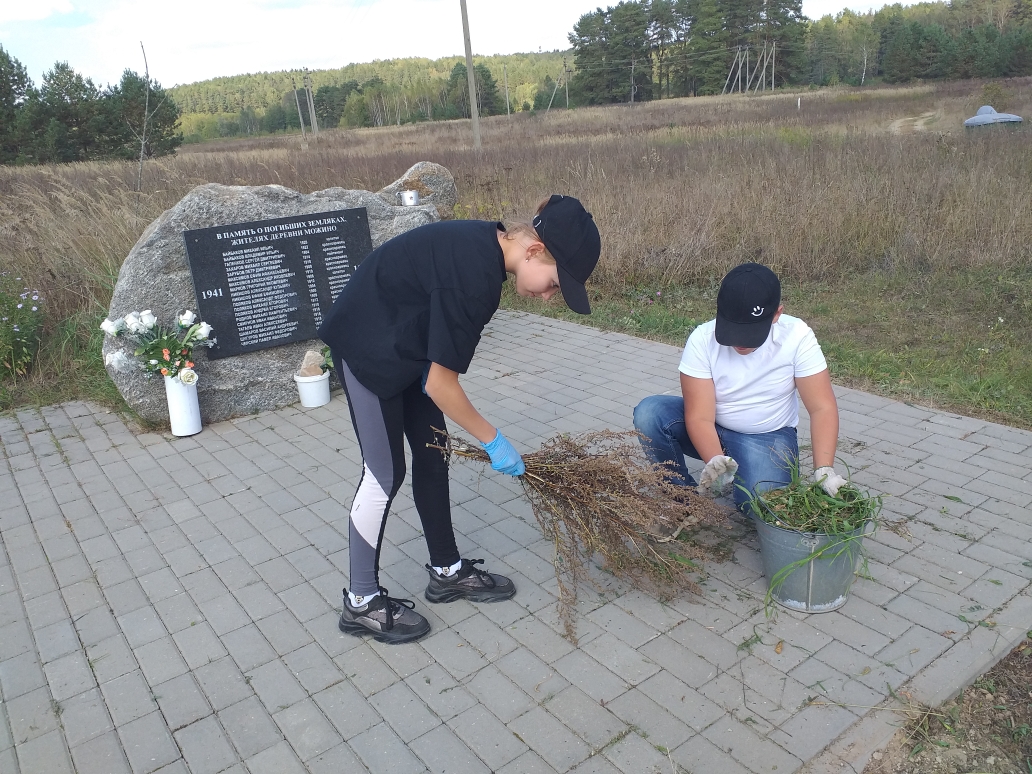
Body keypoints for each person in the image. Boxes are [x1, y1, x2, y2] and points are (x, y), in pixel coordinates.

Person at [318, 195, 601, 644]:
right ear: (532, 250)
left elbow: (435, 373)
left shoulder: (485, 250)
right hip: (366, 345)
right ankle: (361, 602)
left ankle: (446, 571)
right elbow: (441, 387)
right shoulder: (474, 277)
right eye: (553, 283)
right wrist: (493, 439)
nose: (550, 296)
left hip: (406, 348)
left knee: (433, 455)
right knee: (385, 472)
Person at [632, 262, 846, 513]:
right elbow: (700, 416)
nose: (740, 342)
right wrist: (715, 460)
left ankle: (750, 474)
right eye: (733, 329)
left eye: (751, 332)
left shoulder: (797, 336)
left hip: (767, 434)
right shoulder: (702, 339)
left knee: (758, 506)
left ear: (776, 314)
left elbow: (821, 407)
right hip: (713, 424)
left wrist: (824, 469)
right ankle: (682, 499)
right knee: (650, 413)